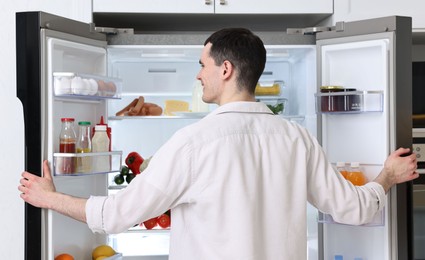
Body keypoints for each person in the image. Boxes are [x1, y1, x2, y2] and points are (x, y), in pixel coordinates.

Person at [19, 28, 418, 260]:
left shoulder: (193, 142)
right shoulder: (298, 139)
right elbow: (352, 209)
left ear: (225, 69)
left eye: (201, 65)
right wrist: (385, 176)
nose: (198, 76)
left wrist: (48, 197)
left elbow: (116, 215)